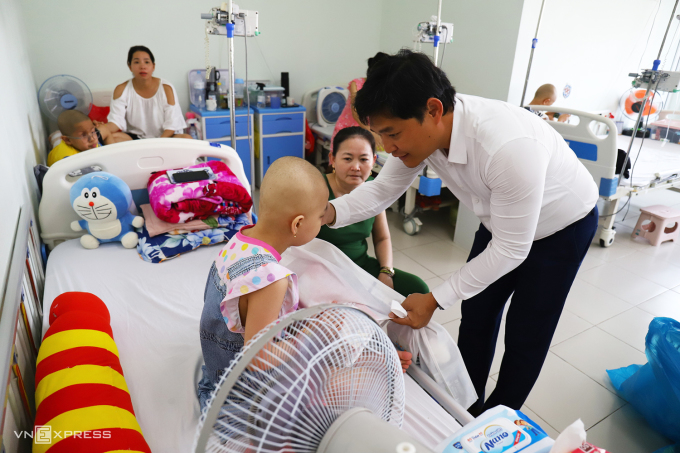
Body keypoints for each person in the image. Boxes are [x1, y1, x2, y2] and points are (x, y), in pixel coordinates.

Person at [321, 49, 599, 415]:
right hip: (502, 223)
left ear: (434, 110)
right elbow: (381, 190)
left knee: (526, 333)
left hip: (562, 227)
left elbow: (512, 251)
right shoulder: (425, 135)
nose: (388, 148)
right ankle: (465, 406)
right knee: (478, 311)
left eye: (392, 134)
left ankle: (497, 420)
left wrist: (434, 299)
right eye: (381, 136)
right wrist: (324, 212)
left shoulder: (506, 147)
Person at [196, 156, 414, 410]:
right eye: (321, 217)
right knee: (340, 381)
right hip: (242, 404)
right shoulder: (271, 280)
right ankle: (373, 364)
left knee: (322, 331)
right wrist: (314, 337)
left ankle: (363, 355)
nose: (323, 222)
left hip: (218, 374)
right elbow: (257, 359)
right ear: (298, 223)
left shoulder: (239, 241)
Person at [317, 126, 429, 297]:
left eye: (363, 159)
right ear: (332, 158)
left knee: (418, 289)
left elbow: (382, 237)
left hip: (359, 266)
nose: (356, 167)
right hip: (321, 271)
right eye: (347, 159)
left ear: (374, 160)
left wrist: (386, 271)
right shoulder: (315, 189)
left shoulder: (374, 189)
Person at [101, 46, 190, 141]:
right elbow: (115, 122)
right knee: (111, 137)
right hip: (136, 139)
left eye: (147, 62)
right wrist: (101, 129)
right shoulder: (121, 89)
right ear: (130, 66)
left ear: (153, 66)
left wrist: (157, 143)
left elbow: (172, 125)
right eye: (136, 62)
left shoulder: (166, 88)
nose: (142, 66)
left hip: (164, 137)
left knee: (187, 138)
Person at [330, 52, 389, 152]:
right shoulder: (357, 84)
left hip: (366, 131)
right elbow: (355, 111)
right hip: (347, 129)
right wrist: (371, 132)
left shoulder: (382, 89)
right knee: (342, 161)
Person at [47, 110, 114, 166]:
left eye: (93, 131)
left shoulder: (88, 140)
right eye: (83, 135)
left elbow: (104, 129)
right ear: (67, 140)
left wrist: (113, 154)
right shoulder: (68, 161)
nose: (92, 139)